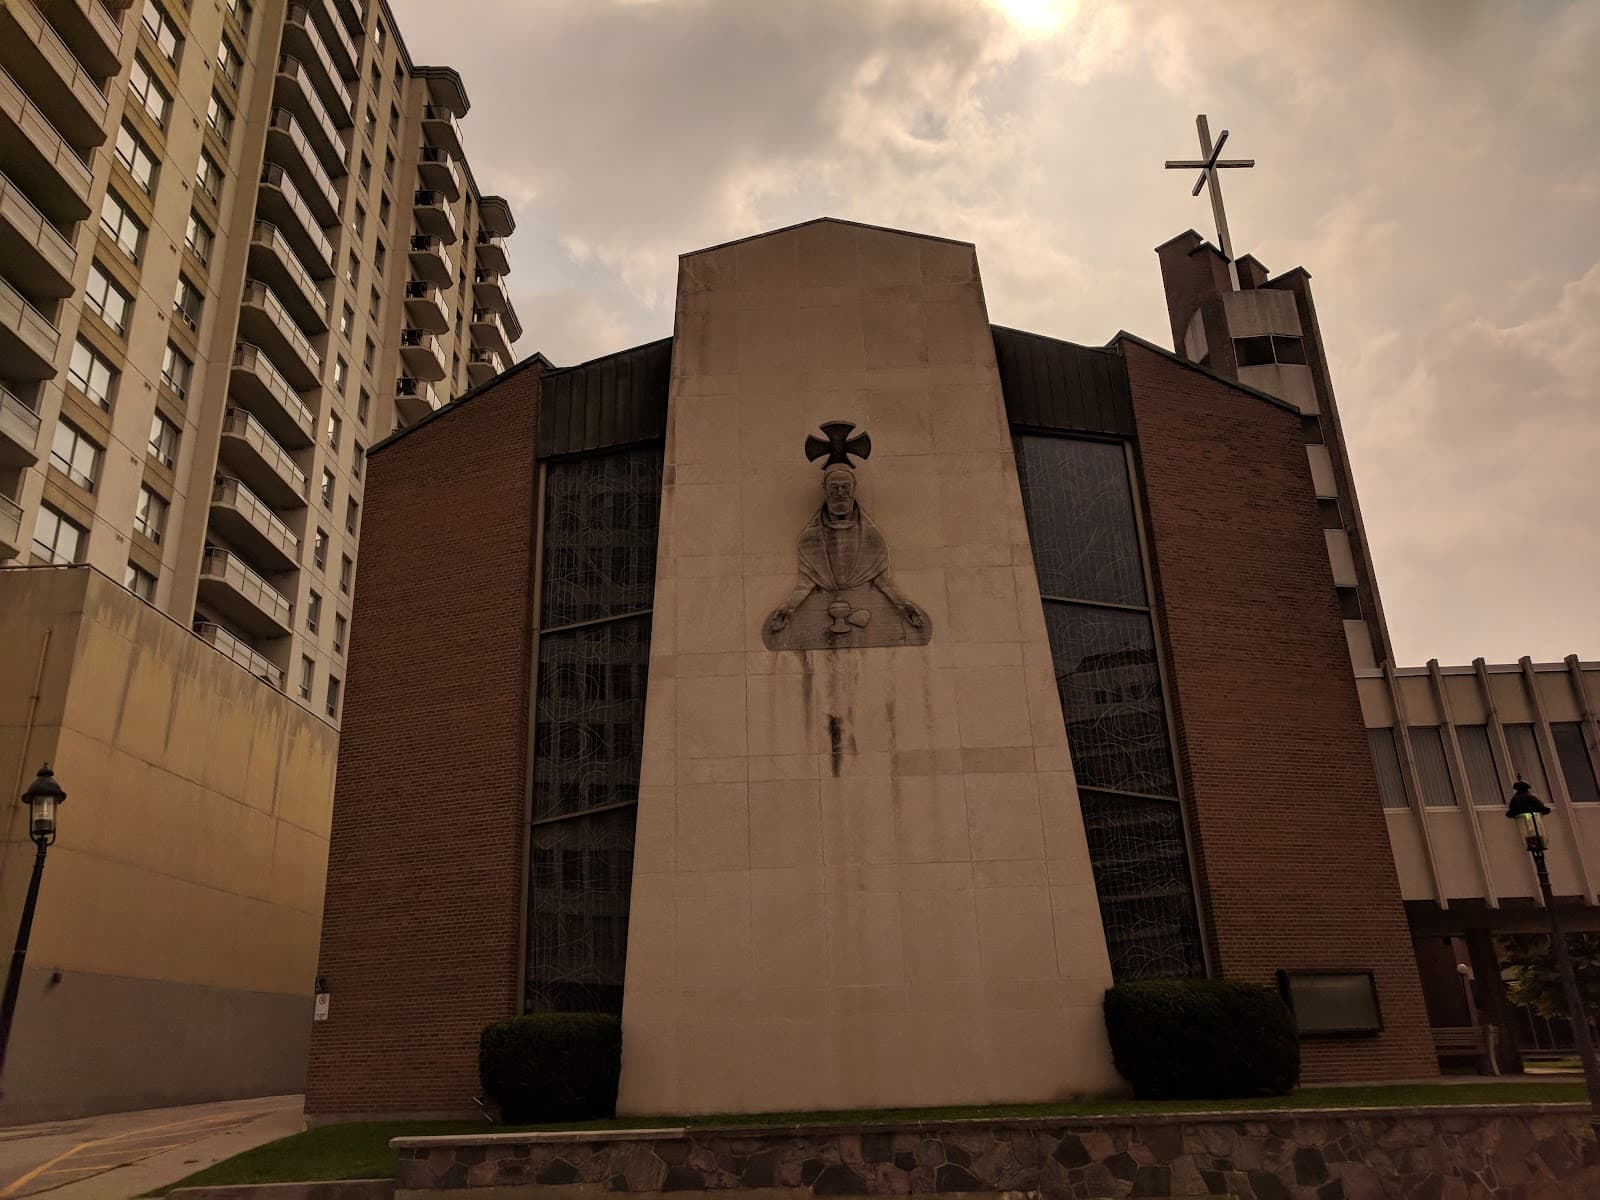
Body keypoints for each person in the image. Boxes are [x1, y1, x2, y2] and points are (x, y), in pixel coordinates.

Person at [768, 464, 925, 634]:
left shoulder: (871, 537)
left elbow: (882, 579)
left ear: (853, 488)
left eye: (845, 486)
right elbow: (805, 583)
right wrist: (789, 607)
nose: (840, 492)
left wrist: (902, 604)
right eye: (834, 487)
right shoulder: (810, 539)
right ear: (825, 489)